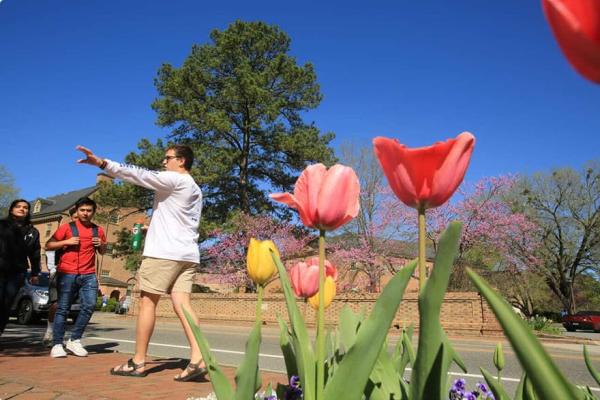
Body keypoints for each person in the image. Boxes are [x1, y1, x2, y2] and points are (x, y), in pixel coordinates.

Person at [76, 144, 206, 381]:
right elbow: (180, 220)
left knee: (147, 303)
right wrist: (152, 227)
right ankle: (198, 358)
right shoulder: (195, 188)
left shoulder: (174, 179)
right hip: (187, 255)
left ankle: (138, 362)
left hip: (163, 254)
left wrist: (104, 164)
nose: (163, 162)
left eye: (168, 158)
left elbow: (139, 174)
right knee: (183, 304)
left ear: (182, 161)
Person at [45, 197, 106, 358]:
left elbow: (103, 252)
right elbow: (48, 245)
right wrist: (66, 241)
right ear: (77, 211)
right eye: (82, 210)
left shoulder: (98, 230)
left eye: (89, 210)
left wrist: (102, 244)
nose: (85, 213)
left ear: (93, 212)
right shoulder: (67, 228)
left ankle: (75, 340)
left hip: (88, 274)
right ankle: (57, 344)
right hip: (67, 272)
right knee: (63, 308)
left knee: (90, 305)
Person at [0, 199, 41, 335]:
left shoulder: (33, 231)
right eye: (18, 206)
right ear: (11, 209)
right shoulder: (2, 225)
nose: (22, 209)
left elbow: (35, 253)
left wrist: (35, 273)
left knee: (6, 304)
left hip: (17, 272)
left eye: (25, 207)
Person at [43, 207, 77, 347]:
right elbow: (48, 248)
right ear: (71, 217)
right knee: (56, 304)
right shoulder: (64, 230)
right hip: (58, 272)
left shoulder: (86, 232)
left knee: (66, 306)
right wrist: (52, 269)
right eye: (75, 216)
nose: (78, 219)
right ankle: (49, 331)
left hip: (75, 273)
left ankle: (59, 335)